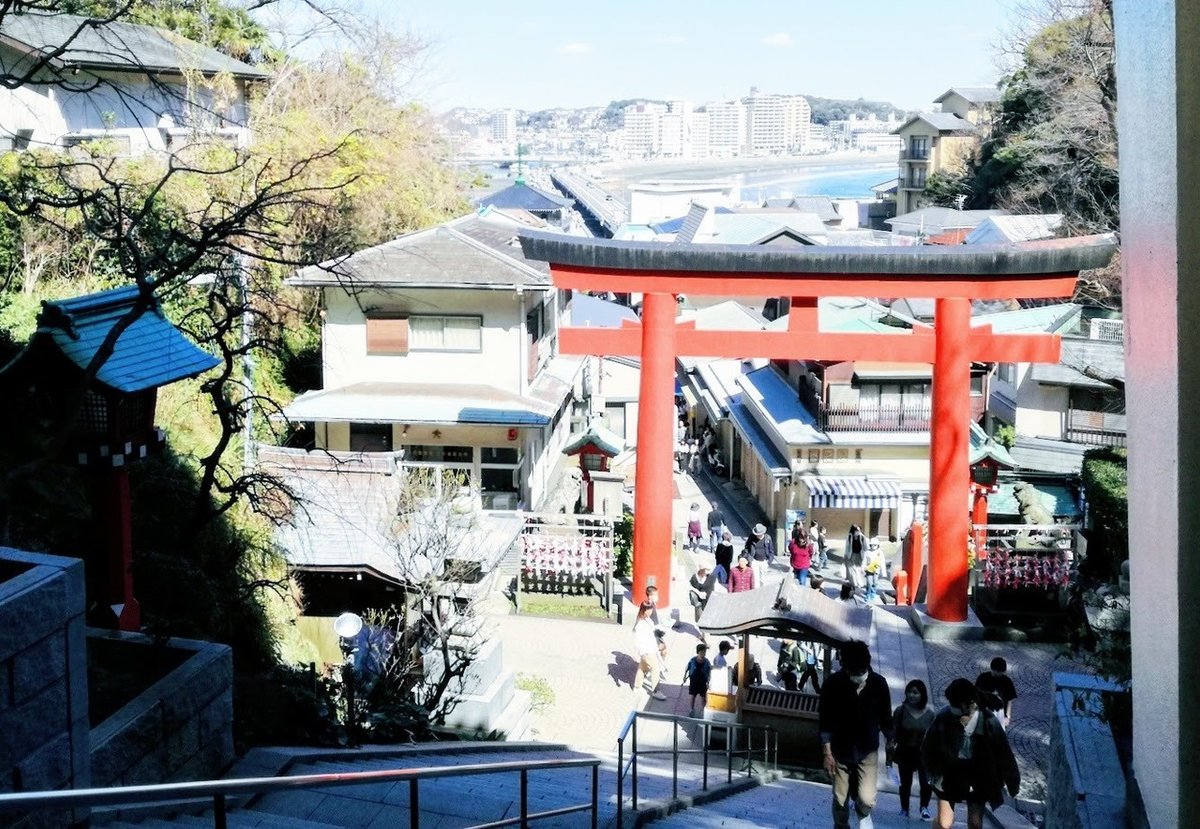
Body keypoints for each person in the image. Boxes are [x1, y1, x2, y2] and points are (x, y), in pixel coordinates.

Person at [922, 678, 1020, 829]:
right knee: (944, 823)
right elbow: (928, 746)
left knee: (975, 824)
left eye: (955, 704)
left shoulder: (988, 721)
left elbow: (1004, 753)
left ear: (967, 703)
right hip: (948, 774)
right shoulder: (944, 717)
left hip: (978, 775)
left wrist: (1013, 782)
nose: (951, 707)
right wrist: (930, 772)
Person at [817, 640, 893, 829]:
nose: (859, 676)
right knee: (840, 797)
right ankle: (841, 826)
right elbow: (825, 721)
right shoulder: (832, 685)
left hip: (867, 750)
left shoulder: (879, 684)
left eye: (861, 671)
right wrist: (827, 754)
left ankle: (863, 813)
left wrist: (891, 738)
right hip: (840, 750)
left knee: (867, 798)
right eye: (854, 672)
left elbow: (885, 716)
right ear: (845, 667)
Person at [888, 679, 935, 820]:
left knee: (925, 783)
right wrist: (889, 758)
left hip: (924, 754)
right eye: (909, 692)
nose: (911, 695)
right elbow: (893, 735)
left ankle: (924, 807)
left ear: (922, 695)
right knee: (905, 783)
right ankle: (904, 808)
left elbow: (933, 737)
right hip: (905, 752)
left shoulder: (930, 715)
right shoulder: (900, 711)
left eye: (915, 692)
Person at [633, 602, 667, 701]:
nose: (651, 611)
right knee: (655, 668)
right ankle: (655, 691)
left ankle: (637, 687)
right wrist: (636, 652)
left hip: (650, 649)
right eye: (650, 609)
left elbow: (653, 631)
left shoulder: (648, 620)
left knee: (642, 668)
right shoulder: (640, 624)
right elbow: (638, 640)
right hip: (646, 650)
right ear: (645, 610)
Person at [974, 657, 1018, 729]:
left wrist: (1007, 716)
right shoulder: (982, 678)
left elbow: (1010, 700)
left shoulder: (1007, 682)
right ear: (991, 668)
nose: (996, 673)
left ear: (1003, 671)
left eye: (998, 672)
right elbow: (976, 694)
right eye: (994, 670)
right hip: (983, 712)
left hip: (1000, 714)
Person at [682, 643, 712, 717]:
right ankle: (691, 710)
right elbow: (687, 668)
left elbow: (709, 672)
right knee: (693, 696)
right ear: (697, 653)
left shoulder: (707, 662)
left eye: (704, 652)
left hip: (702, 681)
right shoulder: (692, 660)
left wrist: (709, 681)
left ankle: (703, 711)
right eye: (701, 652)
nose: (703, 654)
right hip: (694, 681)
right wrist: (684, 677)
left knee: (703, 697)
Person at [688, 565, 717, 633]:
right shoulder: (695, 577)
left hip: (709, 599)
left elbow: (716, 586)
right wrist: (698, 593)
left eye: (709, 569)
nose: (709, 571)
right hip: (699, 601)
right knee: (700, 618)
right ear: (702, 569)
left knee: (708, 617)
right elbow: (690, 587)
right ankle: (702, 634)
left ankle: (706, 632)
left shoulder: (712, 577)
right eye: (707, 569)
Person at [789, 520, 814, 586]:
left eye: (803, 538)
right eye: (800, 537)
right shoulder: (793, 542)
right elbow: (790, 549)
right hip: (795, 564)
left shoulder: (808, 544)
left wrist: (809, 558)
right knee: (795, 580)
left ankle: (802, 593)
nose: (802, 540)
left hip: (804, 565)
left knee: (802, 581)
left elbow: (811, 552)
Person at [844, 524, 867, 592]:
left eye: (859, 530)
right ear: (853, 531)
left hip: (860, 555)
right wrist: (845, 555)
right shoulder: (849, 537)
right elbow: (847, 547)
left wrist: (864, 538)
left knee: (858, 569)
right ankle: (855, 583)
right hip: (852, 555)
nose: (858, 532)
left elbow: (865, 547)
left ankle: (859, 583)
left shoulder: (862, 537)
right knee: (852, 570)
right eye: (857, 530)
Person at [863, 537, 884, 602]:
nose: (873, 546)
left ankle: (873, 592)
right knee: (869, 582)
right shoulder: (867, 552)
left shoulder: (880, 552)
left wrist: (883, 571)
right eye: (872, 545)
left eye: (875, 545)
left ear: (878, 545)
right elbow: (864, 561)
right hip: (869, 570)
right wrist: (863, 567)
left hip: (876, 570)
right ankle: (868, 594)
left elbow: (882, 562)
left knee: (875, 582)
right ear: (870, 545)